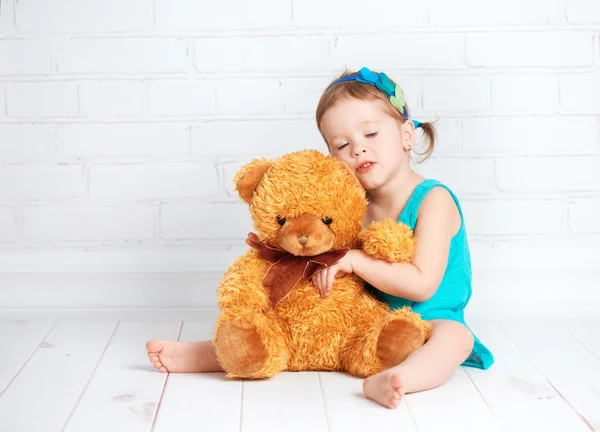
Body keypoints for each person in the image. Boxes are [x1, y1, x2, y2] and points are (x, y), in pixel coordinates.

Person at [146, 66, 494, 409]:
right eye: (342, 144)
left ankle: (402, 377)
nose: (358, 149)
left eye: (371, 134)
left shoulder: (434, 200)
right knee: (287, 326)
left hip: (430, 322)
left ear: (406, 135)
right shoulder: (350, 208)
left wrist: (355, 261)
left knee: (456, 338)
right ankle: (211, 352)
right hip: (360, 326)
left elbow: (422, 285)